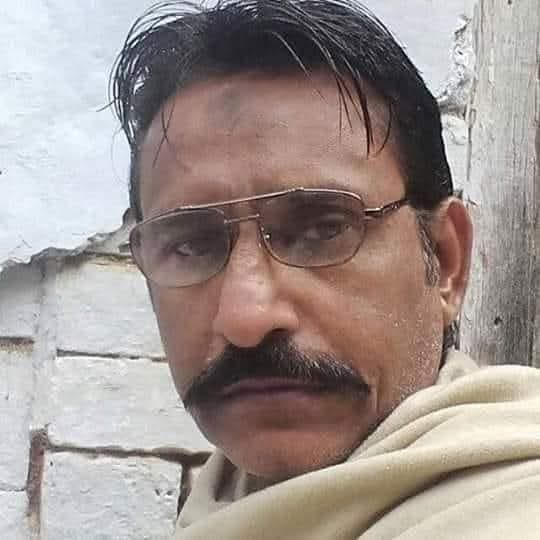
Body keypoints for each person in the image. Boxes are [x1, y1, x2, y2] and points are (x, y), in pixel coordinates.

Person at [111, 1, 540, 538]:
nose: (246, 318)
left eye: (322, 229)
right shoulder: (218, 510)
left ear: (445, 261)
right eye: (191, 245)